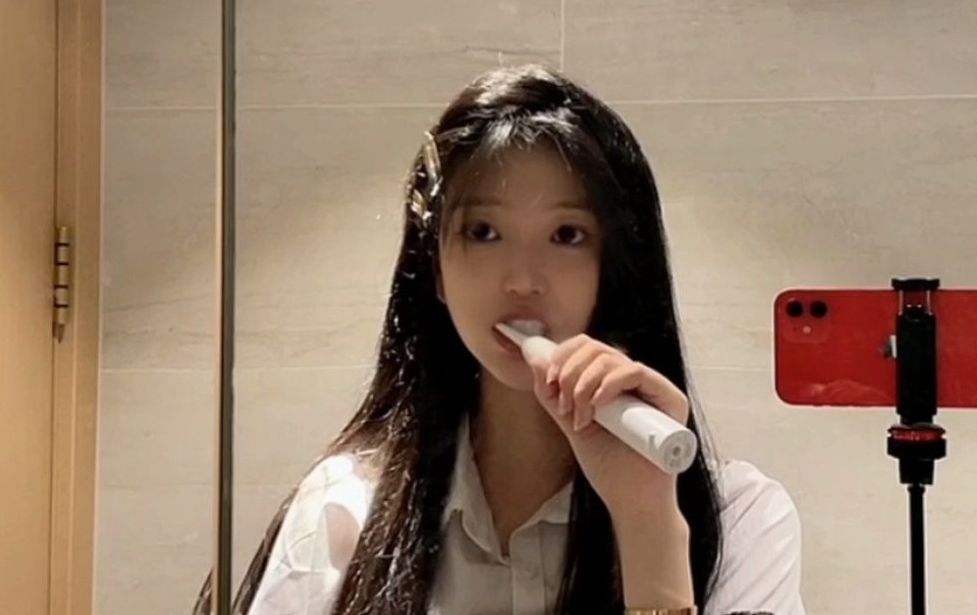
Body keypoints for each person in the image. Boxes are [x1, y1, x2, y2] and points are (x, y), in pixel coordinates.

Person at [195, 64, 805, 615]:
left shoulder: (742, 520)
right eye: (483, 231)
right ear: (434, 269)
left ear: (617, 266)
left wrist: (648, 525)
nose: (522, 281)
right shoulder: (344, 510)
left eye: (567, 235)